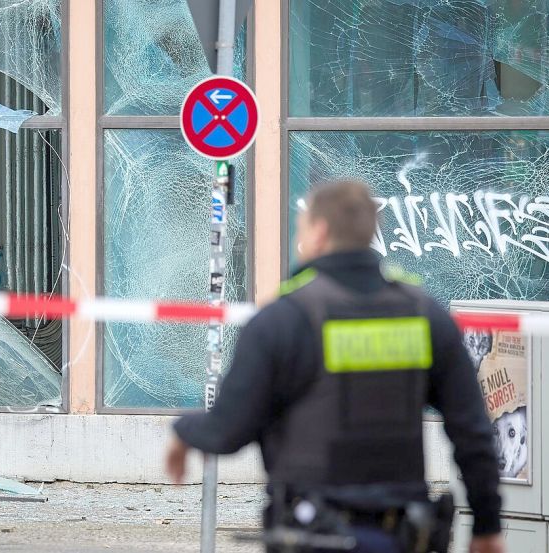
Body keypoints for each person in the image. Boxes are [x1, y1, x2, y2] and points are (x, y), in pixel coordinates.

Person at [166, 180, 504, 553]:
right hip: (403, 535)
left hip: (314, 533)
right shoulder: (425, 316)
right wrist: (487, 525)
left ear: (320, 232)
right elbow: (472, 430)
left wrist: (184, 433)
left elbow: (227, 431)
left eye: (302, 226)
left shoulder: (283, 320)